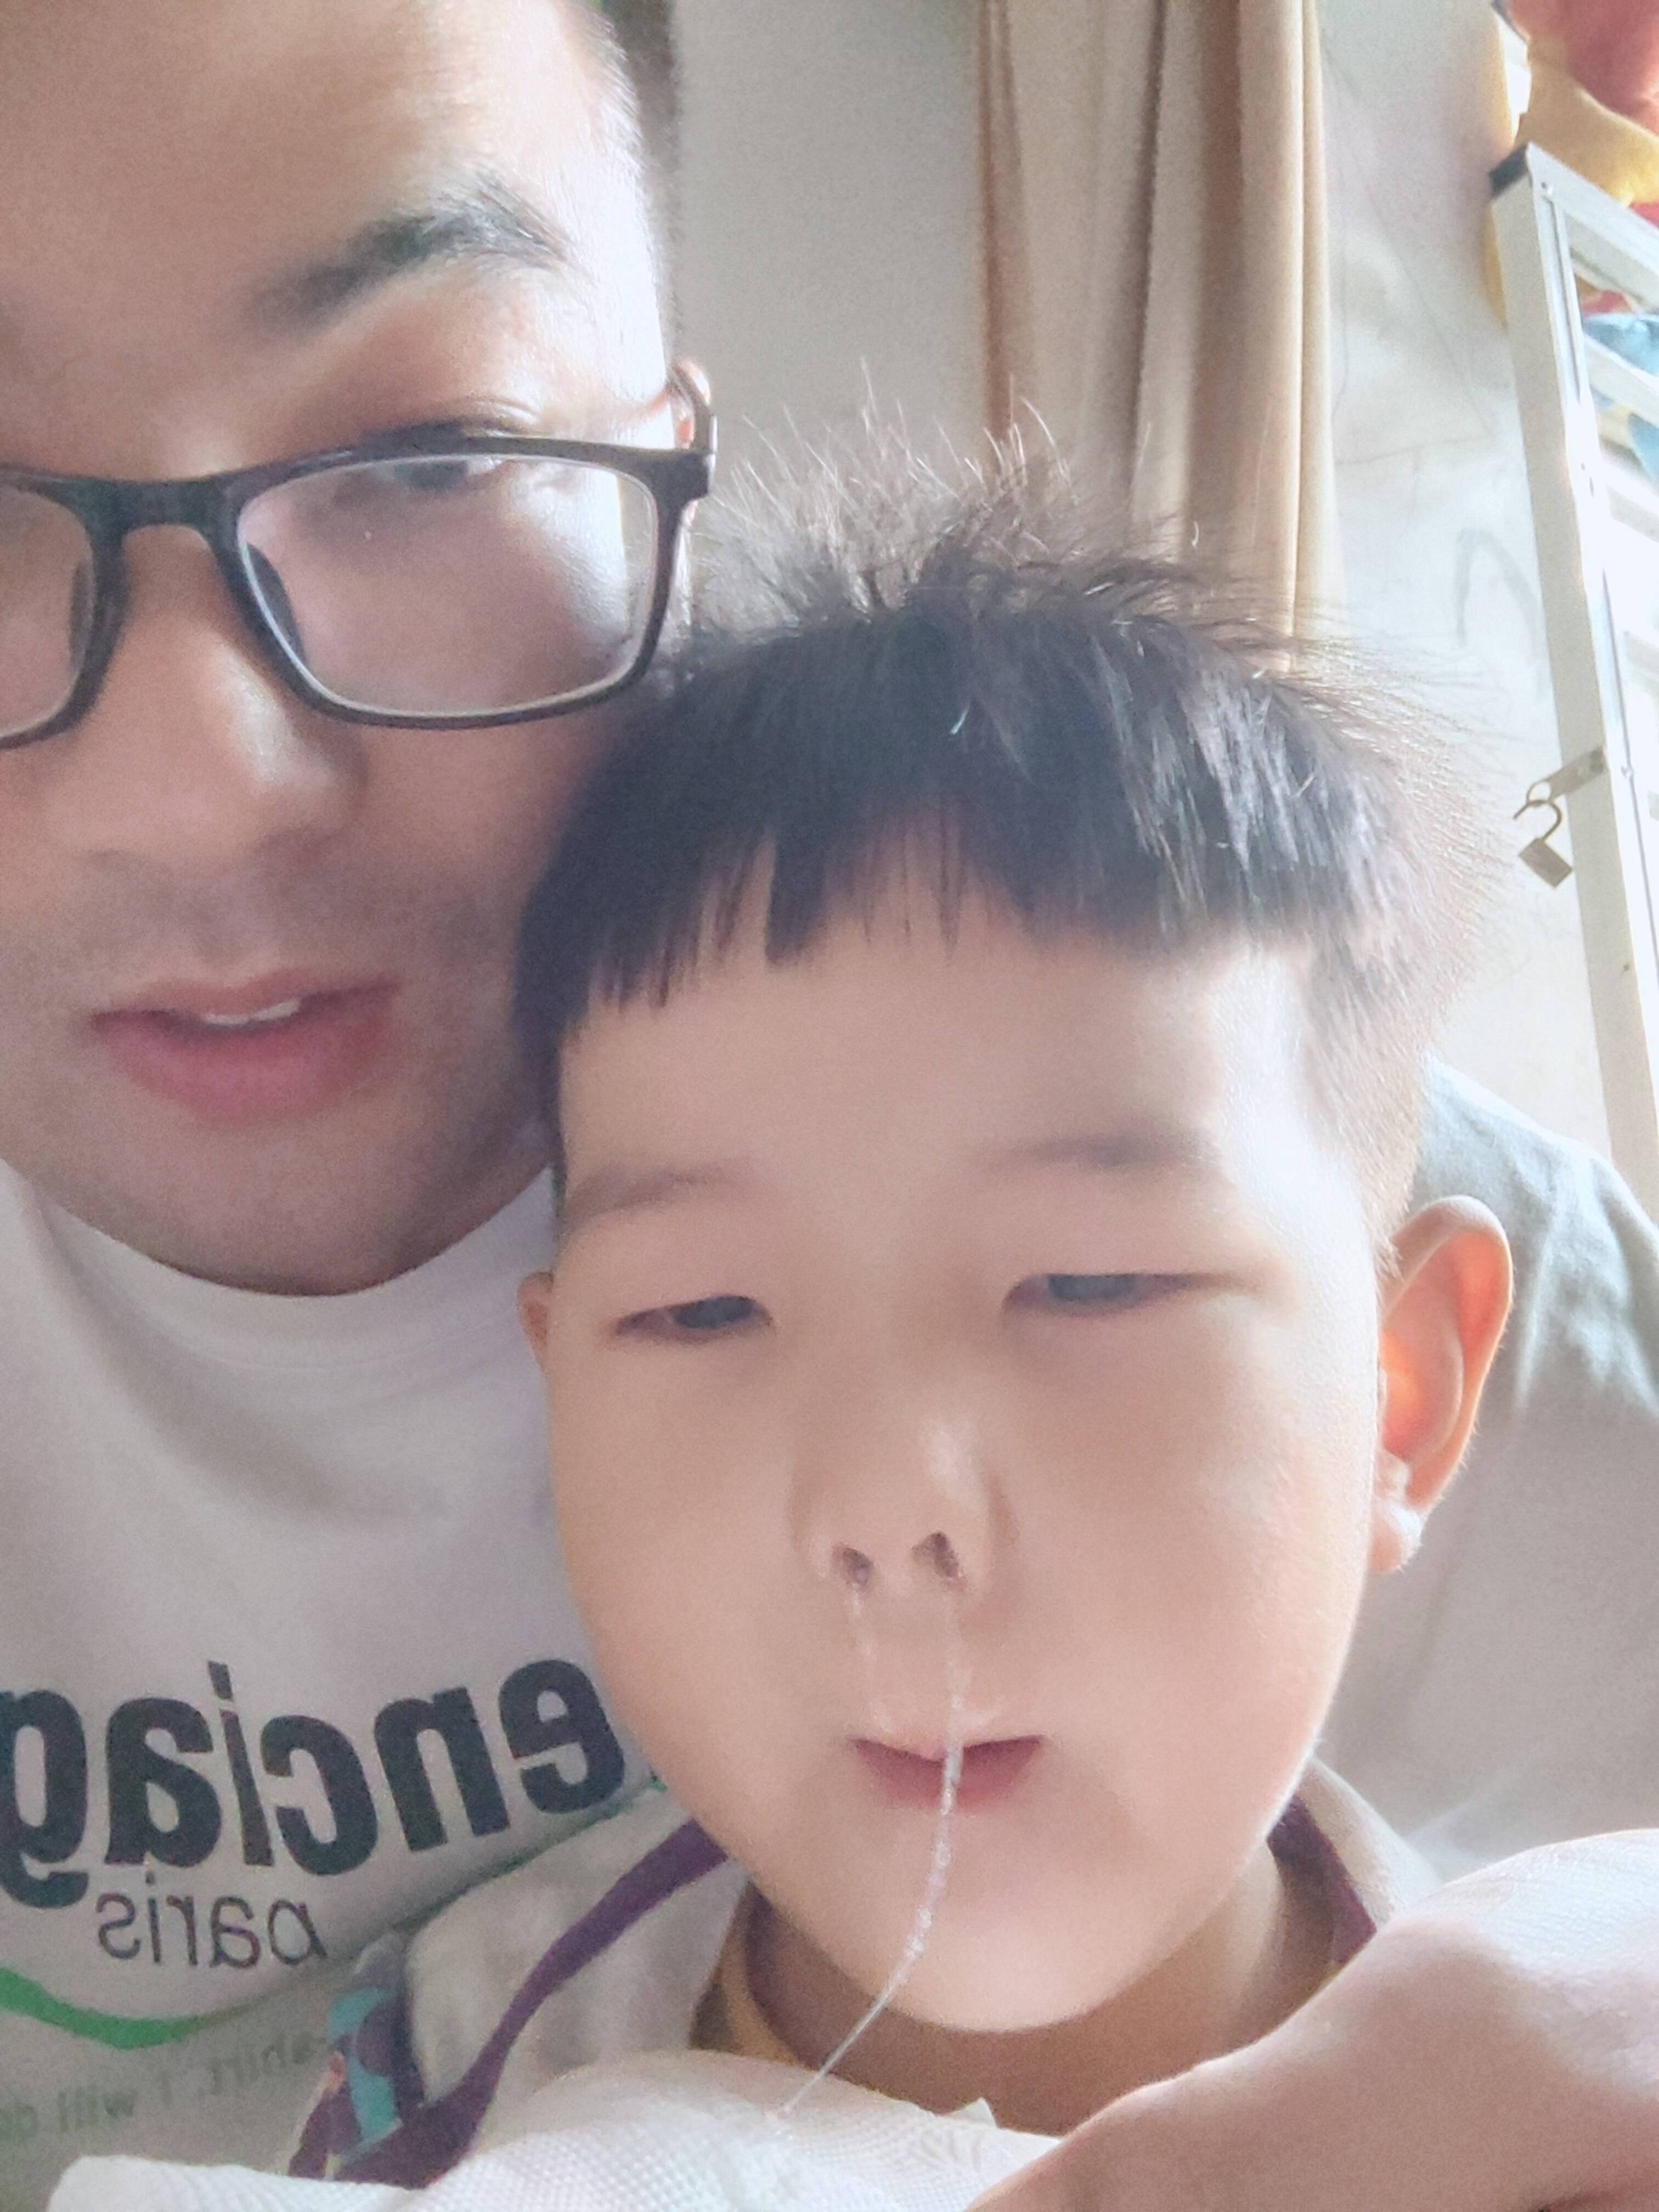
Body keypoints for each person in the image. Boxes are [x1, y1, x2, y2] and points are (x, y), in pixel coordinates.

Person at [0, 3, 1656, 2209]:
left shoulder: (1244, 1124)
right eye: (700, 1314)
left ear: (671, 484)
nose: (196, 785)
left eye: (426, 453)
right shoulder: (489, 2064)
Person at [252, 471, 1517, 2193]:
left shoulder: (1556, 2113)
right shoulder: (445, 2070)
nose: (885, 1506)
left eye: (1087, 1286)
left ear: (1401, 1390)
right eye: (701, 1310)